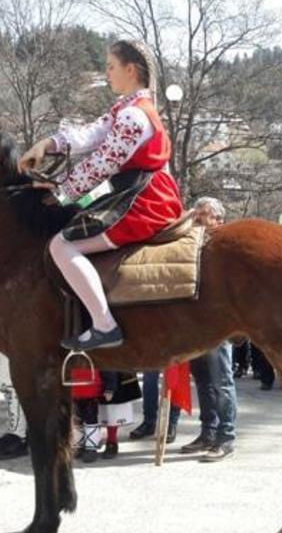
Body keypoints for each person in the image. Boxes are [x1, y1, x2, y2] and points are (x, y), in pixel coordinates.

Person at [18, 39, 182, 352]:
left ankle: (105, 325)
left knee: (61, 246)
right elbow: (90, 134)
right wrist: (47, 145)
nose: (106, 73)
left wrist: (62, 193)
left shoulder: (134, 116)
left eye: (110, 66)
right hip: (137, 194)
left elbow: (103, 162)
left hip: (143, 200)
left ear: (130, 70)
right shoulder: (127, 109)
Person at [177, 197, 237, 462]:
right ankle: (208, 432)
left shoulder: (226, 249)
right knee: (203, 381)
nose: (198, 220)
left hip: (218, 324)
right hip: (196, 326)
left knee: (222, 381)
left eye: (204, 216)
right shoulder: (191, 245)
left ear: (218, 220)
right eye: (197, 215)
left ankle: (226, 436)